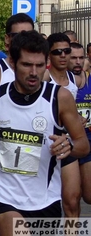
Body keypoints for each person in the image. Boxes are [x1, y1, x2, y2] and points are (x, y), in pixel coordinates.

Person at [0, 30, 89, 236]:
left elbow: (83, 145)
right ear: (13, 63)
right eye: (26, 65)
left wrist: (69, 146)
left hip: (45, 199)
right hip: (4, 196)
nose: (33, 72)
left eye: (39, 66)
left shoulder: (60, 98)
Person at [44, 33, 82, 217]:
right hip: (46, 145)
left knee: (72, 201)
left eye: (66, 51)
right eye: (57, 52)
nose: (63, 55)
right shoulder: (43, 77)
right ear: (49, 54)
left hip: (68, 143)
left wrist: (77, 119)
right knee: (46, 204)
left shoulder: (74, 78)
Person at [68, 42, 91, 205]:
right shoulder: (58, 82)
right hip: (67, 143)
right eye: (73, 57)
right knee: (72, 198)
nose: (77, 61)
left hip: (87, 140)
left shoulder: (89, 78)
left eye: (80, 57)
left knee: (89, 196)